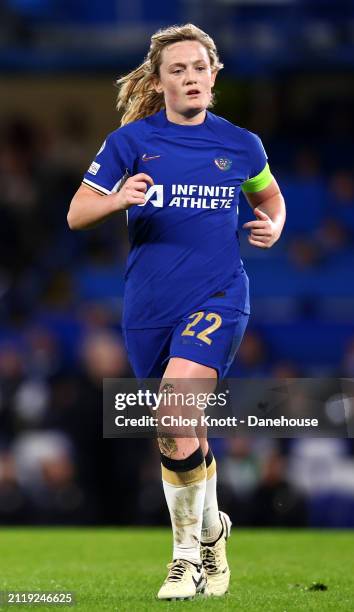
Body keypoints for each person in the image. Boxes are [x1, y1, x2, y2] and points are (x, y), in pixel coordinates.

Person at [67, 23, 286, 601]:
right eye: (177, 70)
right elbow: (77, 212)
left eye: (198, 68)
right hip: (147, 307)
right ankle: (213, 529)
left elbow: (269, 196)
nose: (189, 78)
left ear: (214, 76)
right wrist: (118, 199)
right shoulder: (131, 142)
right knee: (179, 432)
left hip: (217, 295)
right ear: (160, 81)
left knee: (171, 413)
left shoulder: (242, 145)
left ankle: (184, 557)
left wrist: (275, 225)